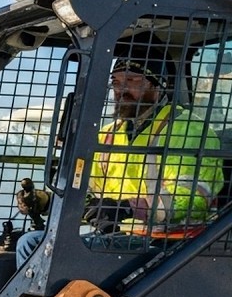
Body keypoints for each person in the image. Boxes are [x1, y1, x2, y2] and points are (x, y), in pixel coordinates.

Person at [16, 40, 223, 261]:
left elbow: (193, 200)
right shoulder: (107, 135)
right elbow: (90, 199)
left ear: (158, 85)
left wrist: (127, 209)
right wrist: (46, 201)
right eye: (116, 82)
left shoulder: (189, 130)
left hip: (170, 244)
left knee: (40, 249)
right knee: (32, 243)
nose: (121, 90)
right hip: (117, 236)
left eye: (132, 81)